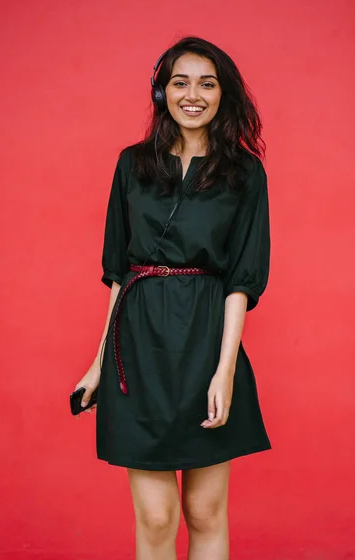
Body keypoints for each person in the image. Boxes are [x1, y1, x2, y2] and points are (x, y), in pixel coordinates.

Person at [74, 35, 272, 560]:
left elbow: (242, 280)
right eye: (179, 82)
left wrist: (224, 371)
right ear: (161, 92)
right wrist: (97, 365)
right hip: (136, 349)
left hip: (207, 343)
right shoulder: (131, 165)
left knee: (205, 513)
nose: (193, 94)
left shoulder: (244, 174)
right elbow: (119, 273)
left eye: (207, 84)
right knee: (156, 518)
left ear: (223, 94)